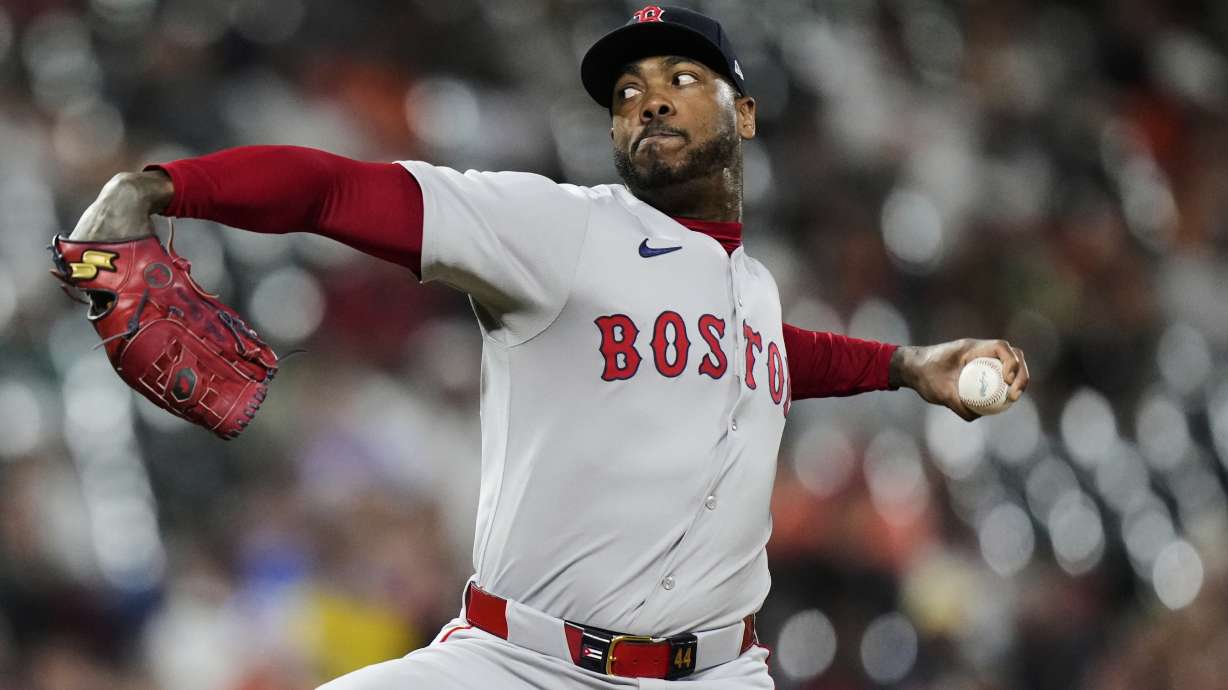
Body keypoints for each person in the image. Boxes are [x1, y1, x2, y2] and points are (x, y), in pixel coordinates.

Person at [68, 6, 1028, 689]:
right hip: (520, 664)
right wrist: (160, 186)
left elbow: (766, 354)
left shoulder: (752, 287)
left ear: (744, 113)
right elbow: (336, 190)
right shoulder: (559, 229)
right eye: (628, 92)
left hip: (721, 673)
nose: (649, 100)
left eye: (681, 79)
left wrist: (906, 367)